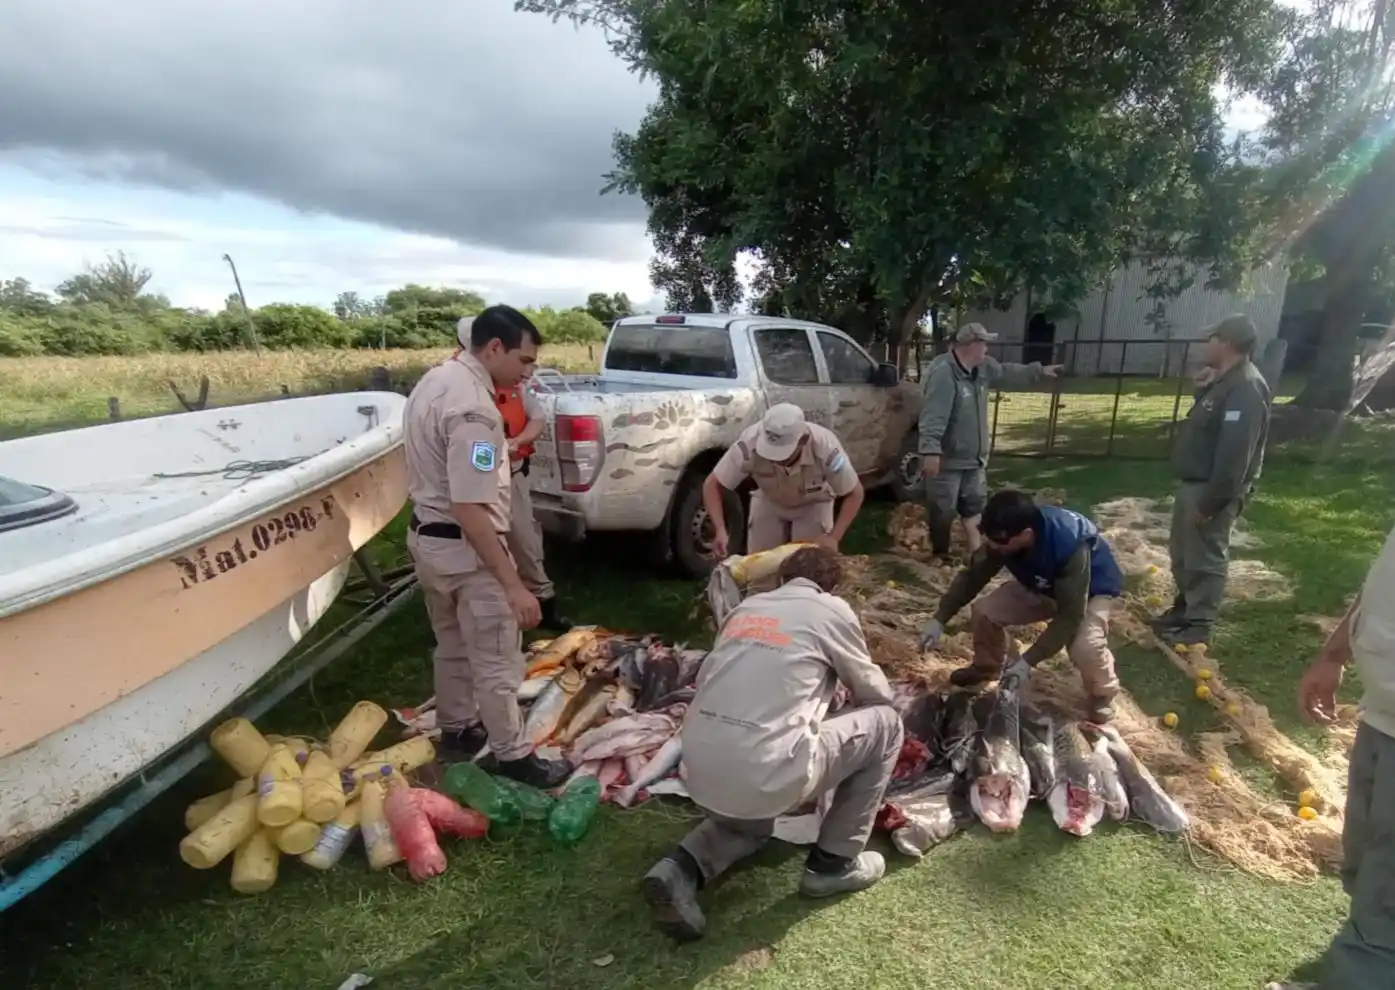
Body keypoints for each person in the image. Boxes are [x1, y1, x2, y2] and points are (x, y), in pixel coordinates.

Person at [641, 544, 902, 941]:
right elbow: (876, 692)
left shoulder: (745, 611)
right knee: (887, 725)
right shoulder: (830, 609)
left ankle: (680, 867)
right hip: (764, 768)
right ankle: (833, 865)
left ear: (780, 579)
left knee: (751, 819)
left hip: (699, 768)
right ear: (831, 587)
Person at [401, 305, 571, 788]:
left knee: (451, 642)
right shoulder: (475, 410)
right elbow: (471, 507)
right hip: (465, 548)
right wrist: (513, 584)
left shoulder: (434, 381)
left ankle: (456, 727)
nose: (528, 371)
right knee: (497, 656)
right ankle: (513, 753)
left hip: (427, 538)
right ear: (493, 348)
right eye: (524, 360)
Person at [1268, 522, 1395, 990]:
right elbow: (1383, 579)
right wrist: (1334, 653)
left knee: (1387, 894)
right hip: (1382, 716)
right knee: (1363, 863)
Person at [918, 488, 1123, 723]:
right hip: (1041, 584)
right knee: (985, 612)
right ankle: (987, 667)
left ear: (1025, 534)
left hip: (1090, 592)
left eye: (999, 543)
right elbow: (972, 577)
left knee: (1085, 646)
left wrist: (1028, 661)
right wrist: (939, 618)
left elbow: (1070, 614)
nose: (994, 547)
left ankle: (1102, 693)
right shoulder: (1004, 536)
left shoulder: (1068, 544)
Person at [1150, 314, 1272, 648]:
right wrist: (1202, 390)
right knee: (1184, 553)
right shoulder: (1225, 382)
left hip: (1212, 487)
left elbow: (1235, 453)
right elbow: (1209, 426)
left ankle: (1199, 622)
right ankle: (1186, 607)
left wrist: (1213, 501)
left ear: (1228, 343)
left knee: (1205, 555)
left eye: (1212, 338)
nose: (1207, 344)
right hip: (1195, 483)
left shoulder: (1246, 386)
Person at [918, 323, 1063, 560]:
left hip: (974, 459)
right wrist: (931, 450)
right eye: (984, 343)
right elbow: (933, 416)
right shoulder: (944, 374)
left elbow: (1006, 371)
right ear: (971, 345)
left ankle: (977, 551)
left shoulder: (983, 368)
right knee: (943, 512)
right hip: (948, 460)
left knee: (974, 507)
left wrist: (1038, 370)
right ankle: (940, 553)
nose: (987, 348)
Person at [704, 403, 864, 558]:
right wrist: (720, 529)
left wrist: (834, 537)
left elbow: (855, 493)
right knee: (760, 571)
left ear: (802, 441)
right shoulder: (748, 443)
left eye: (782, 453)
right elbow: (712, 484)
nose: (775, 460)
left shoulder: (826, 448)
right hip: (769, 501)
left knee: (808, 571)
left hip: (813, 504)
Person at [492, 371, 572, 631]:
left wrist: (518, 441)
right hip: (481, 479)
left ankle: (543, 606)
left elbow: (537, 419)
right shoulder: (466, 391)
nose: (526, 370)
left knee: (525, 539)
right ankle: (492, 611)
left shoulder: (517, 388)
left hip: (513, 474)